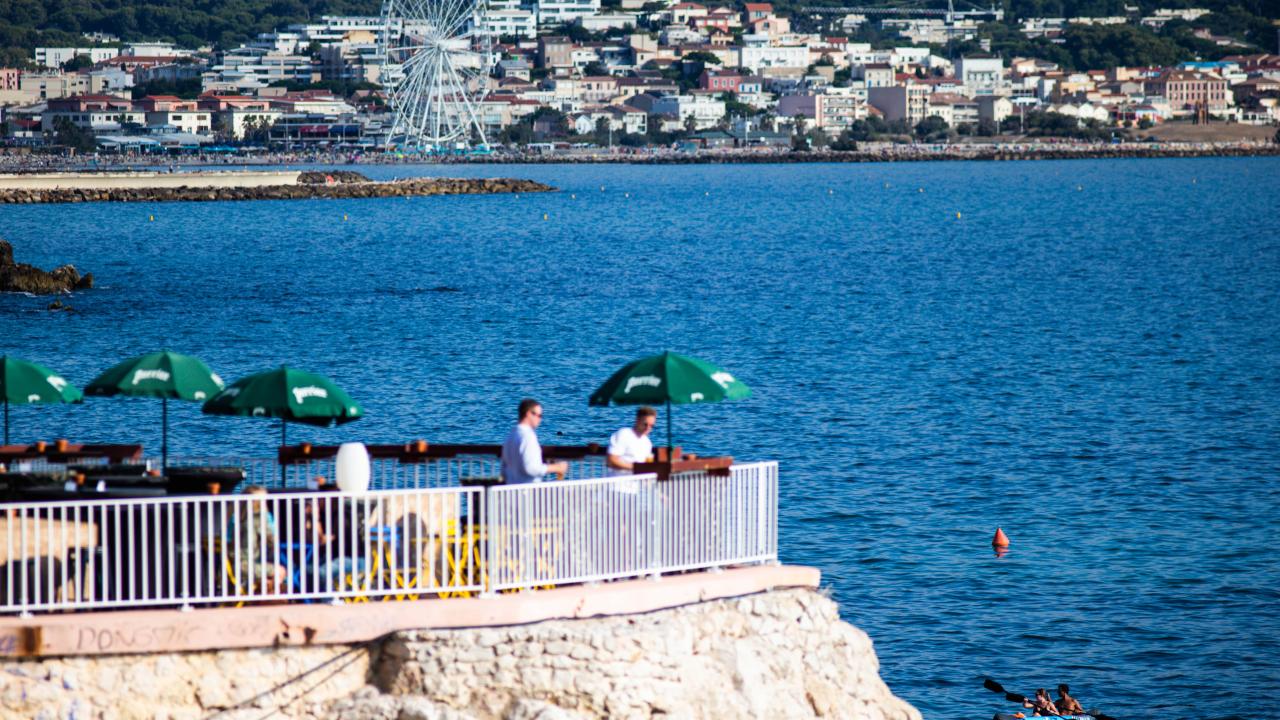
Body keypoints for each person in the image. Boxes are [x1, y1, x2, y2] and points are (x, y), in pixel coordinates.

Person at [500, 398, 568, 485]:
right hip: (527, 490)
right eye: (539, 415)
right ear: (528, 414)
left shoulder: (511, 435)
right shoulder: (528, 436)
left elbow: (504, 469)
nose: (540, 419)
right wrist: (557, 468)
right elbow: (531, 468)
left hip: (510, 489)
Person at [606, 406, 657, 476]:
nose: (648, 428)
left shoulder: (647, 443)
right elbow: (611, 461)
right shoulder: (623, 434)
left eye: (651, 426)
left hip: (637, 482)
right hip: (618, 481)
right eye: (645, 424)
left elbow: (644, 466)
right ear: (637, 420)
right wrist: (636, 468)